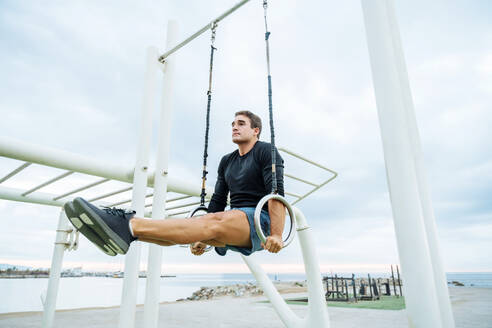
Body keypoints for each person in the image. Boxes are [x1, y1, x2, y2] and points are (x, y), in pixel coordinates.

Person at [64, 110, 286, 257]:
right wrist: (202, 236)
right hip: (234, 220)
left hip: (260, 223)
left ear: (255, 130)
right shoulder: (227, 161)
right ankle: (128, 234)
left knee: (214, 220)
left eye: (241, 123)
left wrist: (276, 234)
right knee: (194, 228)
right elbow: (218, 200)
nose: (234, 127)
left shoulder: (266, 151)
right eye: (232, 124)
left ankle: (128, 223)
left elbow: (276, 194)